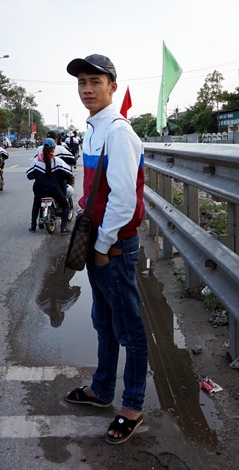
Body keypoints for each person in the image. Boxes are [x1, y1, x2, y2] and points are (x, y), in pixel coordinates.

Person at [62, 54, 147, 445]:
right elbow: (90, 188)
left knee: (129, 328)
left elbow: (124, 199)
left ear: (113, 86)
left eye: (95, 81)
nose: (87, 89)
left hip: (112, 245)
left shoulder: (118, 131)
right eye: (82, 82)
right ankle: (101, 390)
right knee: (104, 322)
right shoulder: (93, 130)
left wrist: (102, 245)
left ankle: (131, 406)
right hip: (99, 239)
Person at [26, 138, 73, 233]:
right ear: (53, 149)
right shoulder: (57, 161)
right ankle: (63, 228)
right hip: (54, 190)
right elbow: (69, 174)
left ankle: (33, 226)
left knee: (36, 205)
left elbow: (29, 175)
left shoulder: (36, 161)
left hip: (39, 191)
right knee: (65, 206)